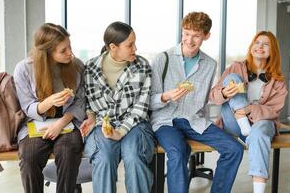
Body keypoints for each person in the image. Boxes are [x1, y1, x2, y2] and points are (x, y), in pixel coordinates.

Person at [150, 11, 244, 193]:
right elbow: (150, 102)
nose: (189, 40)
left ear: (206, 36)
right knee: (178, 152)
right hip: (165, 121)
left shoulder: (210, 64)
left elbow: (207, 98)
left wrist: (223, 93)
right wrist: (166, 96)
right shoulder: (163, 59)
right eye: (186, 33)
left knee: (234, 149)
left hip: (195, 121)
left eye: (196, 36)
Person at [80, 21, 155, 193]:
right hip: (102, 124)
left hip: (135, 123)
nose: (135, 48)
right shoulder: (90, 68)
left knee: (134, 157)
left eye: (135, 43)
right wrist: (93, 117)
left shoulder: (142, 66)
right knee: (104, 158)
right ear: (113, 47)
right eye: (130, 45)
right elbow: (90, 104)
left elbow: (141, 108)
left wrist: (120, 131)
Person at [209, 31, 287, 193]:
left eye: (266, 44)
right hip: (235, 123)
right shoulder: (236, 67)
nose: (260, 47)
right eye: (257, 43)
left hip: (262, 124)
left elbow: (273, 111)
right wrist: (224, 92)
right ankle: (244, 124)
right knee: (233, 78)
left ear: (273, 51)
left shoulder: (278, 81)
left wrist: (249, 108)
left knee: (258, 133)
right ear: (251, 46)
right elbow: (213, 96)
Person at [14, 23, 85, 193]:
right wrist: (49, 102)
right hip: (35, 122)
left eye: (70, 47)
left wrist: (60, 124)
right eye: (63, 50)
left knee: (69, 152)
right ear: (46, 52)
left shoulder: (77, 66)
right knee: (29, 157)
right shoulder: (23, 69)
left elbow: (80, 101)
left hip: (67, 121)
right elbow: (26, 106)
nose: (70, 53)